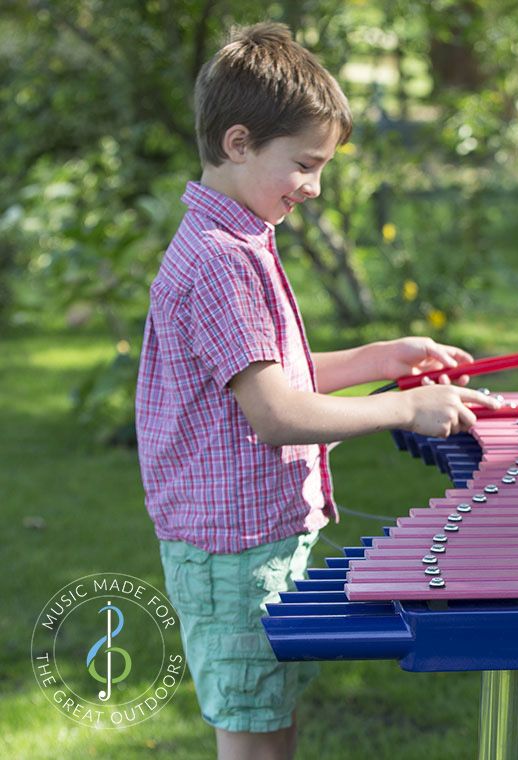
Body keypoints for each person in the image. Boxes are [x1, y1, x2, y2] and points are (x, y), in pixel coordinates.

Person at [135, 23, 497, 760]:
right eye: (304, 164)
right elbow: (276, 415)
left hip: (246, 541)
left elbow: (274, 373)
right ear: (239, 143)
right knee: (253, 738)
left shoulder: (236, 242)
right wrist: (406, 408)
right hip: (230, 551)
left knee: (272, 724)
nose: (314, 186)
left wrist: (383, 356)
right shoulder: (218, 263)